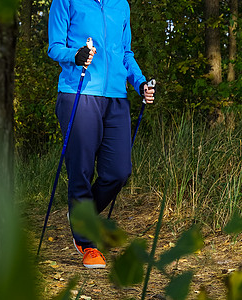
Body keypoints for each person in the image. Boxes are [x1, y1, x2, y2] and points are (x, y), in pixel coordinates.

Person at [47, 0, 155, 268]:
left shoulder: (122, 5)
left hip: (117, 97)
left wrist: (140, 82)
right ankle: (87, 244)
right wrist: (76, 55)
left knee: (118, 171)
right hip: (79, 92)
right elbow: (54, 47)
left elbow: (125, 53)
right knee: (80, 170)